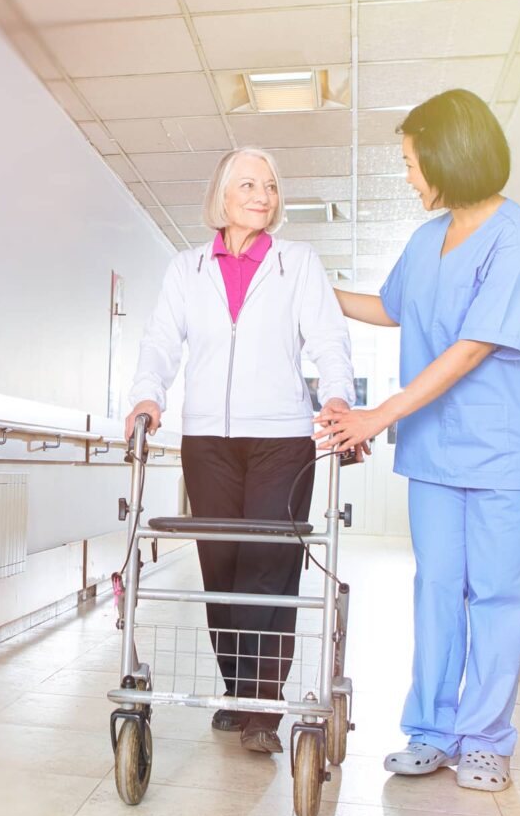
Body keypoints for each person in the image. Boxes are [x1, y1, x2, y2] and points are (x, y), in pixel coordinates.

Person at [315, 89, 520, 791]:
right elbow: (390, 309)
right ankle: (428, 730)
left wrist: (376, 416)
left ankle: (483, 739)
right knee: (437, 590)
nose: (406, 175)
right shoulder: (426, 239)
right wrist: (317, 285)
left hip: (506, 448)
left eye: (409, 161)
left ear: (447, 156)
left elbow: (471, 348)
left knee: (496, 595)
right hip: (436, 451)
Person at [125, 147, 357, 755]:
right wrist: (148, 396)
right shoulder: (188, 268)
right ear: (222, 196)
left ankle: (264, 707)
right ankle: (237, 690)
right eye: (249, 184)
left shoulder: (296, 263)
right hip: (208, 441)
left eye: (272, 186)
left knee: (268, 566)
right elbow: (159, 342)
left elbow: (329, 338)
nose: (263, 195)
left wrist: (338, 396)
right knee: (220, 569)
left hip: (283, 439)